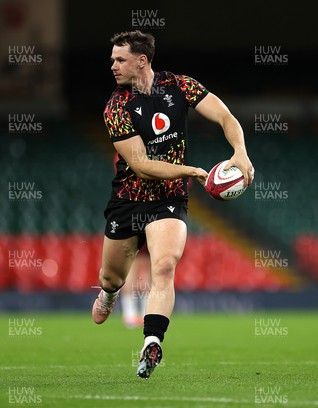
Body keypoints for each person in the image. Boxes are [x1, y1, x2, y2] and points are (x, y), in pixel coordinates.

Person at [92, 30, 254, 379]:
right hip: (127, 200)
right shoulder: (116, 107)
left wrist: (240, 152)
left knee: (164, 266)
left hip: (169, 199)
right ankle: (108, 293)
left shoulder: (181, 86)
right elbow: (141, 165)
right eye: (112, 60)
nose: (113, 66)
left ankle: (152, 341)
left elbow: (226, 116)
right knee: (110, 275)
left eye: (120, 60)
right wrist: (192, 170)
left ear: (142, 60)